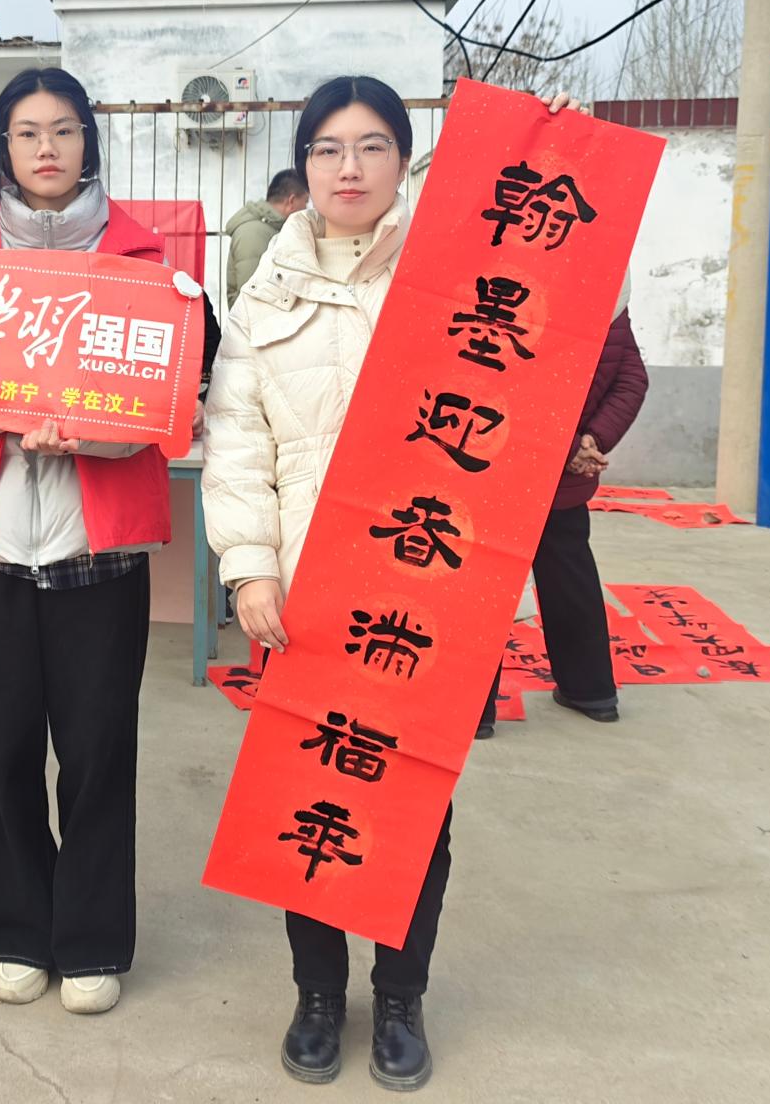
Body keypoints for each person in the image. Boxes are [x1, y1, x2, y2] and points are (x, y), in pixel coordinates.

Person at [203, 76, 578, 1089]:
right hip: (308, 594)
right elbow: (237, 441)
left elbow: (560, 313)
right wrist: (249, 569)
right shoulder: (266, 293)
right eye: (329, 148)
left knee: (413, 802)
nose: (350, 168)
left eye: (372, 146)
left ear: (404, 162)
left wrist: (552, 157)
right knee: (311, 789)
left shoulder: (462, 273)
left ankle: (402, 993)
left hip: (428, 584)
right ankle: (319, 994)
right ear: (304, 166)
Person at [0, 66, 190, 1019]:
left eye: (64, 129)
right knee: (4, 748)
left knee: (99, 748)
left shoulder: (140, 259)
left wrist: (92, 434)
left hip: (98, 547)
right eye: (28, 133)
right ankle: (19, 931)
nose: (48, 148)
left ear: (88, 141)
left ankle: (93, 939)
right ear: (4, 149)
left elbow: (169, 391)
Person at [487, 291, 649, 729]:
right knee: (569, 576)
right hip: (565, 474)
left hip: (493, 463)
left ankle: (475, 709)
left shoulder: (509, 290)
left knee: (485, 583)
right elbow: (632, 380)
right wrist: (591, 441)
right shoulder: (610, 296)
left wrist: (574, 447)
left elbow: (512, 383)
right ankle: (592, 692)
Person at [223, 168, 309, 308]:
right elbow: (252, 298)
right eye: (305, 201)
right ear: (291, 201)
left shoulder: (270, 228)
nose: (306, 208)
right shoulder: (254, 232)